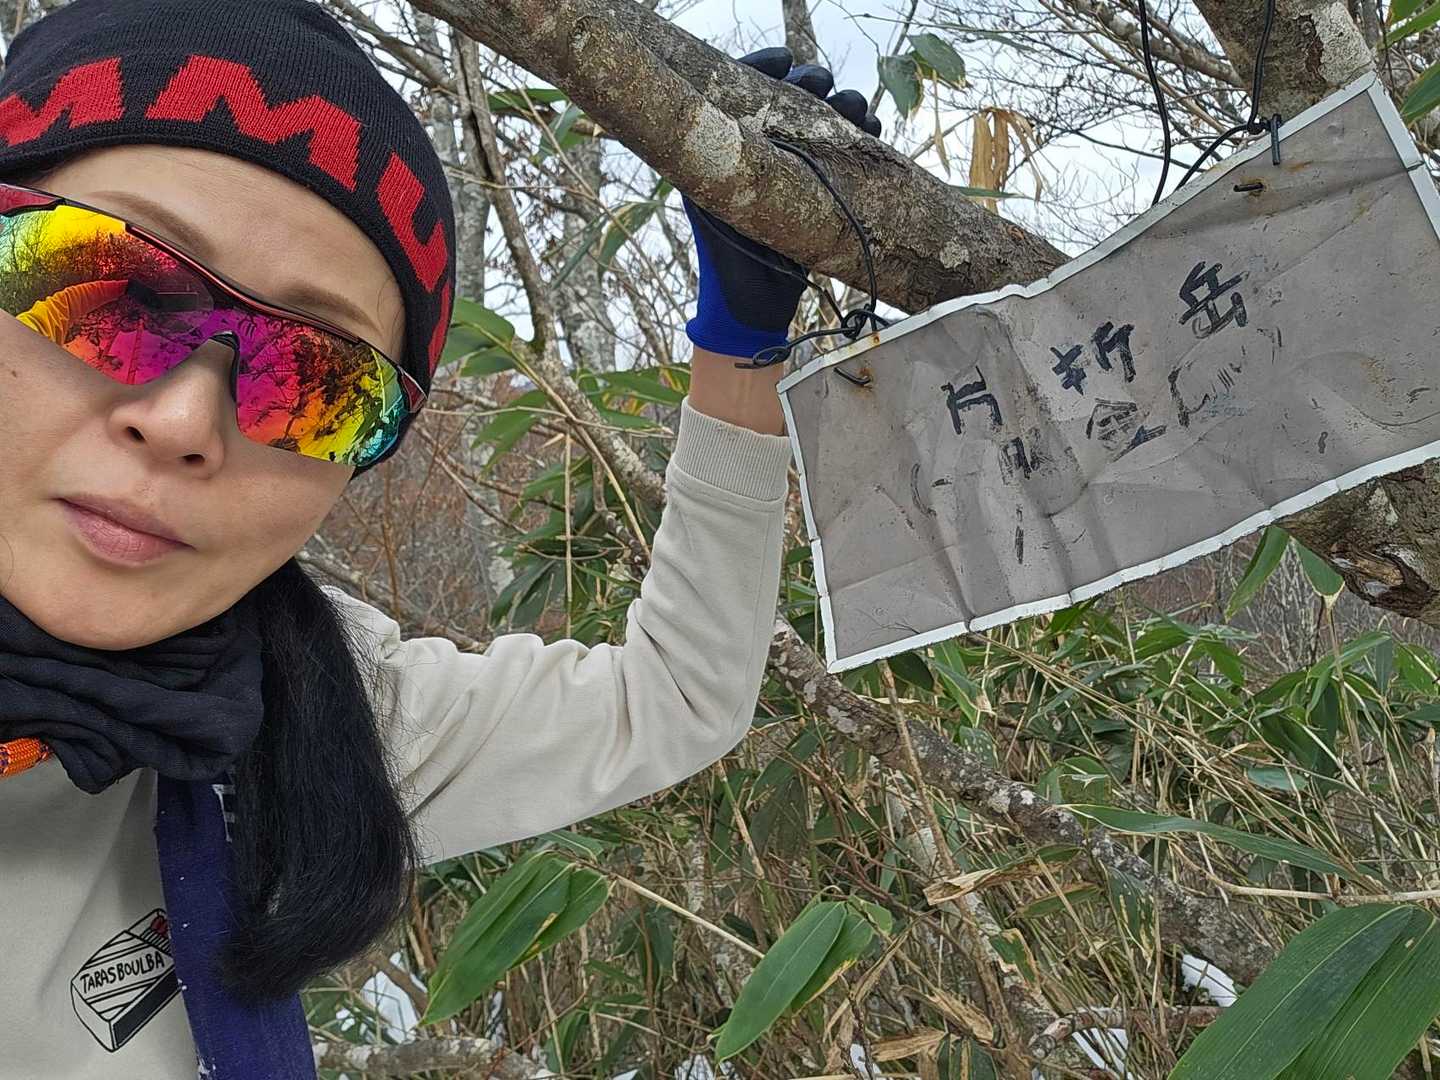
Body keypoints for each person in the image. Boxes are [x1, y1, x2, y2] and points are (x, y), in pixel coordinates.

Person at [0, 2, 881, 1077]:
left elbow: (675, 698)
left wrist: (742, 345)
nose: (184, 421)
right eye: (103, 287)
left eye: (314, 380)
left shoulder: (298, 719)